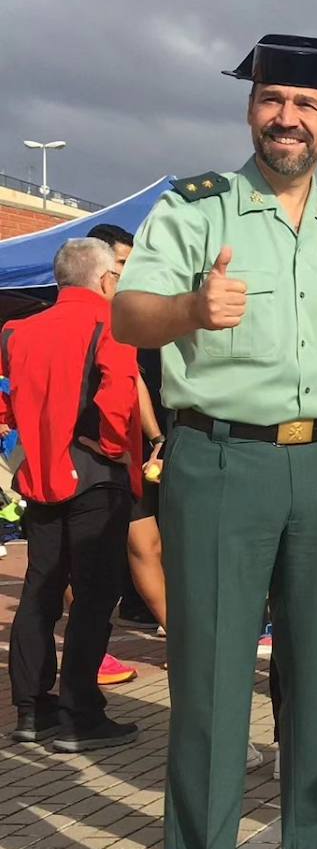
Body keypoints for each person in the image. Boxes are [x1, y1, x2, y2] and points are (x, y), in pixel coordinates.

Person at [112, 34, 317, 849]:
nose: (287, 117)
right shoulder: (195, 211)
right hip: (222, 459)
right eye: (273, 99)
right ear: (251, 108)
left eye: (307, 104)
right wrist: (191, 309)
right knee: (215, 679)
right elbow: (126, 313)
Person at [2, 237, 142, 751]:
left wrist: (30, 441)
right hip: (93, 473)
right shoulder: (110, 322)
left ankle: (32, 710)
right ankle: (81, 711)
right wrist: (108, 447)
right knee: (95, 595)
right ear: (105, 279)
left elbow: (7, 402)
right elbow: (119, 394)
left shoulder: (17, 331)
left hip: (38, 473)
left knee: (40, 591)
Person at [89, 223, 171, 635]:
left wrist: (157, 439)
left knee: (147, 543)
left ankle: (179, 637)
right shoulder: (103, 322)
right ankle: (90, 648)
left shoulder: (135, 316)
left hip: (133, 452)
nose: (129, 272)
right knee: (82, 556)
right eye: (123, 263)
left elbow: (137, 383)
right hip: (92, 460)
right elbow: (132, 382)